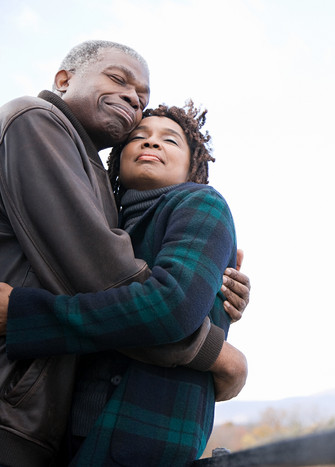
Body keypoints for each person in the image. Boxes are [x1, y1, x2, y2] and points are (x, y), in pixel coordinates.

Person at [0, 40, 250, 466]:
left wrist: (203, 301)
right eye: (118, 79)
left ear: (194, 167)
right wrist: (214, 354)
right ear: (64, 80)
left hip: (121, 430)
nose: (134, 99)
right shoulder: (37, 121)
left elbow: (165, 304)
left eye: (142, 98)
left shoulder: (189, 203)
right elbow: (113, 286)